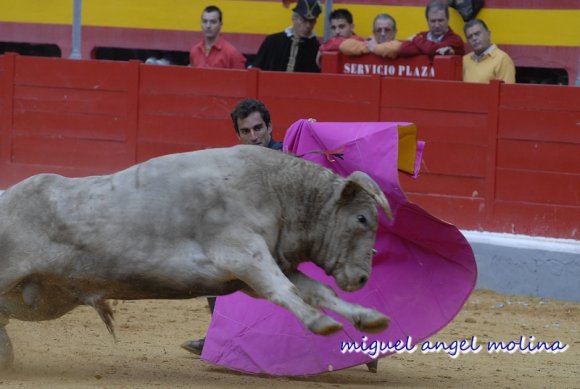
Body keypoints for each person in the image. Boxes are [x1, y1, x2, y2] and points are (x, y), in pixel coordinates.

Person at [180, 98, 282, 356]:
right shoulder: (234, 164)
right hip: (257, 243)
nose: (254, 136)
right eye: (246, 131)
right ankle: (220, 336)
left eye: (258, 128)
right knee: (213, 268)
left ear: (270, 127)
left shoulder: (287, 153)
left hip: (287, 244)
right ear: (238, 135)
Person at [251, 0, 322, 72]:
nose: (308, 26)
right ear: (294, 18)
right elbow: (256, 69)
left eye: (311, 21)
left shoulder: (316, 48)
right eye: (304, 20)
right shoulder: (273, 42)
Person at [398, 0, 465, 58]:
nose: (437, 25)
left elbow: (431, 50)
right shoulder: (422, 36)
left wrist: (416, 40)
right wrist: (428, 49)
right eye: (433, 21)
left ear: (448, 20)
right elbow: (404, 50)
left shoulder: (456, 40)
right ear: (427, 21)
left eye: (440, 20)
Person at [462, 19, 515, 83]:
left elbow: (506, 91)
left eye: (477, 34)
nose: (474, 38)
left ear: (488, 34)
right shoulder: (465, 60)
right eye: (470, 36)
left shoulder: (502, 59)